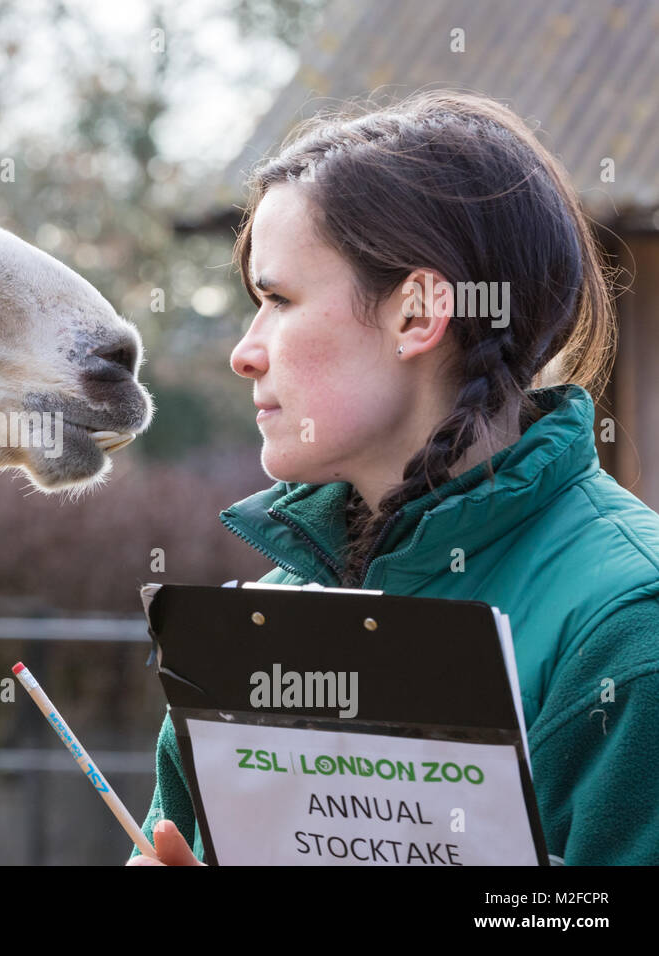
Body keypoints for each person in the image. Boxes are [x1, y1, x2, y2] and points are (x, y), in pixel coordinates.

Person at [128, 90, 659, 866]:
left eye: (279, 299)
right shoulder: (256, 629)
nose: (245, 352)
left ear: (417, 315)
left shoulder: (626, 625)